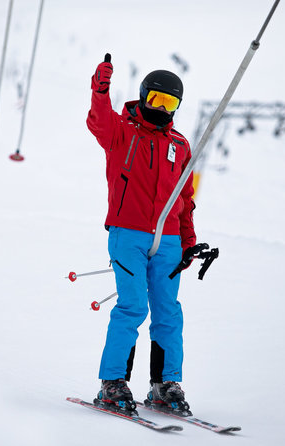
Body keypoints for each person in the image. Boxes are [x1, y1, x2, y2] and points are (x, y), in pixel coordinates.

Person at [86, 54, 200, 416]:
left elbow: (185, 197)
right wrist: (100, 89)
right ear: (143, 96)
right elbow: (98, 122)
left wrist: (187, 241)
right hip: (127, 234)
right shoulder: (122, 131)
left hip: (166, 241)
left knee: (168, 312)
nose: (162, 109)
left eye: (170, 103)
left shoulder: (180, 145)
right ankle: (113, 383)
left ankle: (165, 385)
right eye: (156, 100)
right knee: (132, 306)